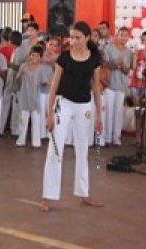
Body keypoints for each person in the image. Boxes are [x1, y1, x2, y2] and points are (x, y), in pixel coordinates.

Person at [39, 21, 103, 212]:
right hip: (63, 104)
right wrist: (49, 113)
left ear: (87, 38)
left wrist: (99, 115)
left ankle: (84, 192)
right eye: (72, 37)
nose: (73, 41)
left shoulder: (94, 58)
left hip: (84, 106)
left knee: (83, 150)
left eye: (78, 37)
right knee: (55, 149)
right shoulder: (65, 57)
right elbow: (54, 85)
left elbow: (96, 87)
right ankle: (48, 196)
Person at [102, 27, 132, 147]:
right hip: (109, 84)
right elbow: (106, 64)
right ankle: (107, 137)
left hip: (121, 85)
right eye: (121, 35)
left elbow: (127, 70)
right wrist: (115, 63)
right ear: (117, 35)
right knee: (109, 111)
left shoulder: (129, 52)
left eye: (126, 35)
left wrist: (122, 65)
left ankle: (116, 137)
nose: (123, 37)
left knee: (118, 112)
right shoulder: (109, 48)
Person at [15, 45, 50, 147]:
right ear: (29, 55)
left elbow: (43, 82)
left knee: (36, 120)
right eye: (33, 55)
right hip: (24, 96)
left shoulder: (41, 68)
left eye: (37, 56)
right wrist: (21, 74)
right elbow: (17, 79)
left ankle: (36, 142)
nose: (34, 58)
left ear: (40, 57)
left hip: (35, 97)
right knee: (23, 119)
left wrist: (50, 83)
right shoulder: (23, 66)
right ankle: (21, 140)